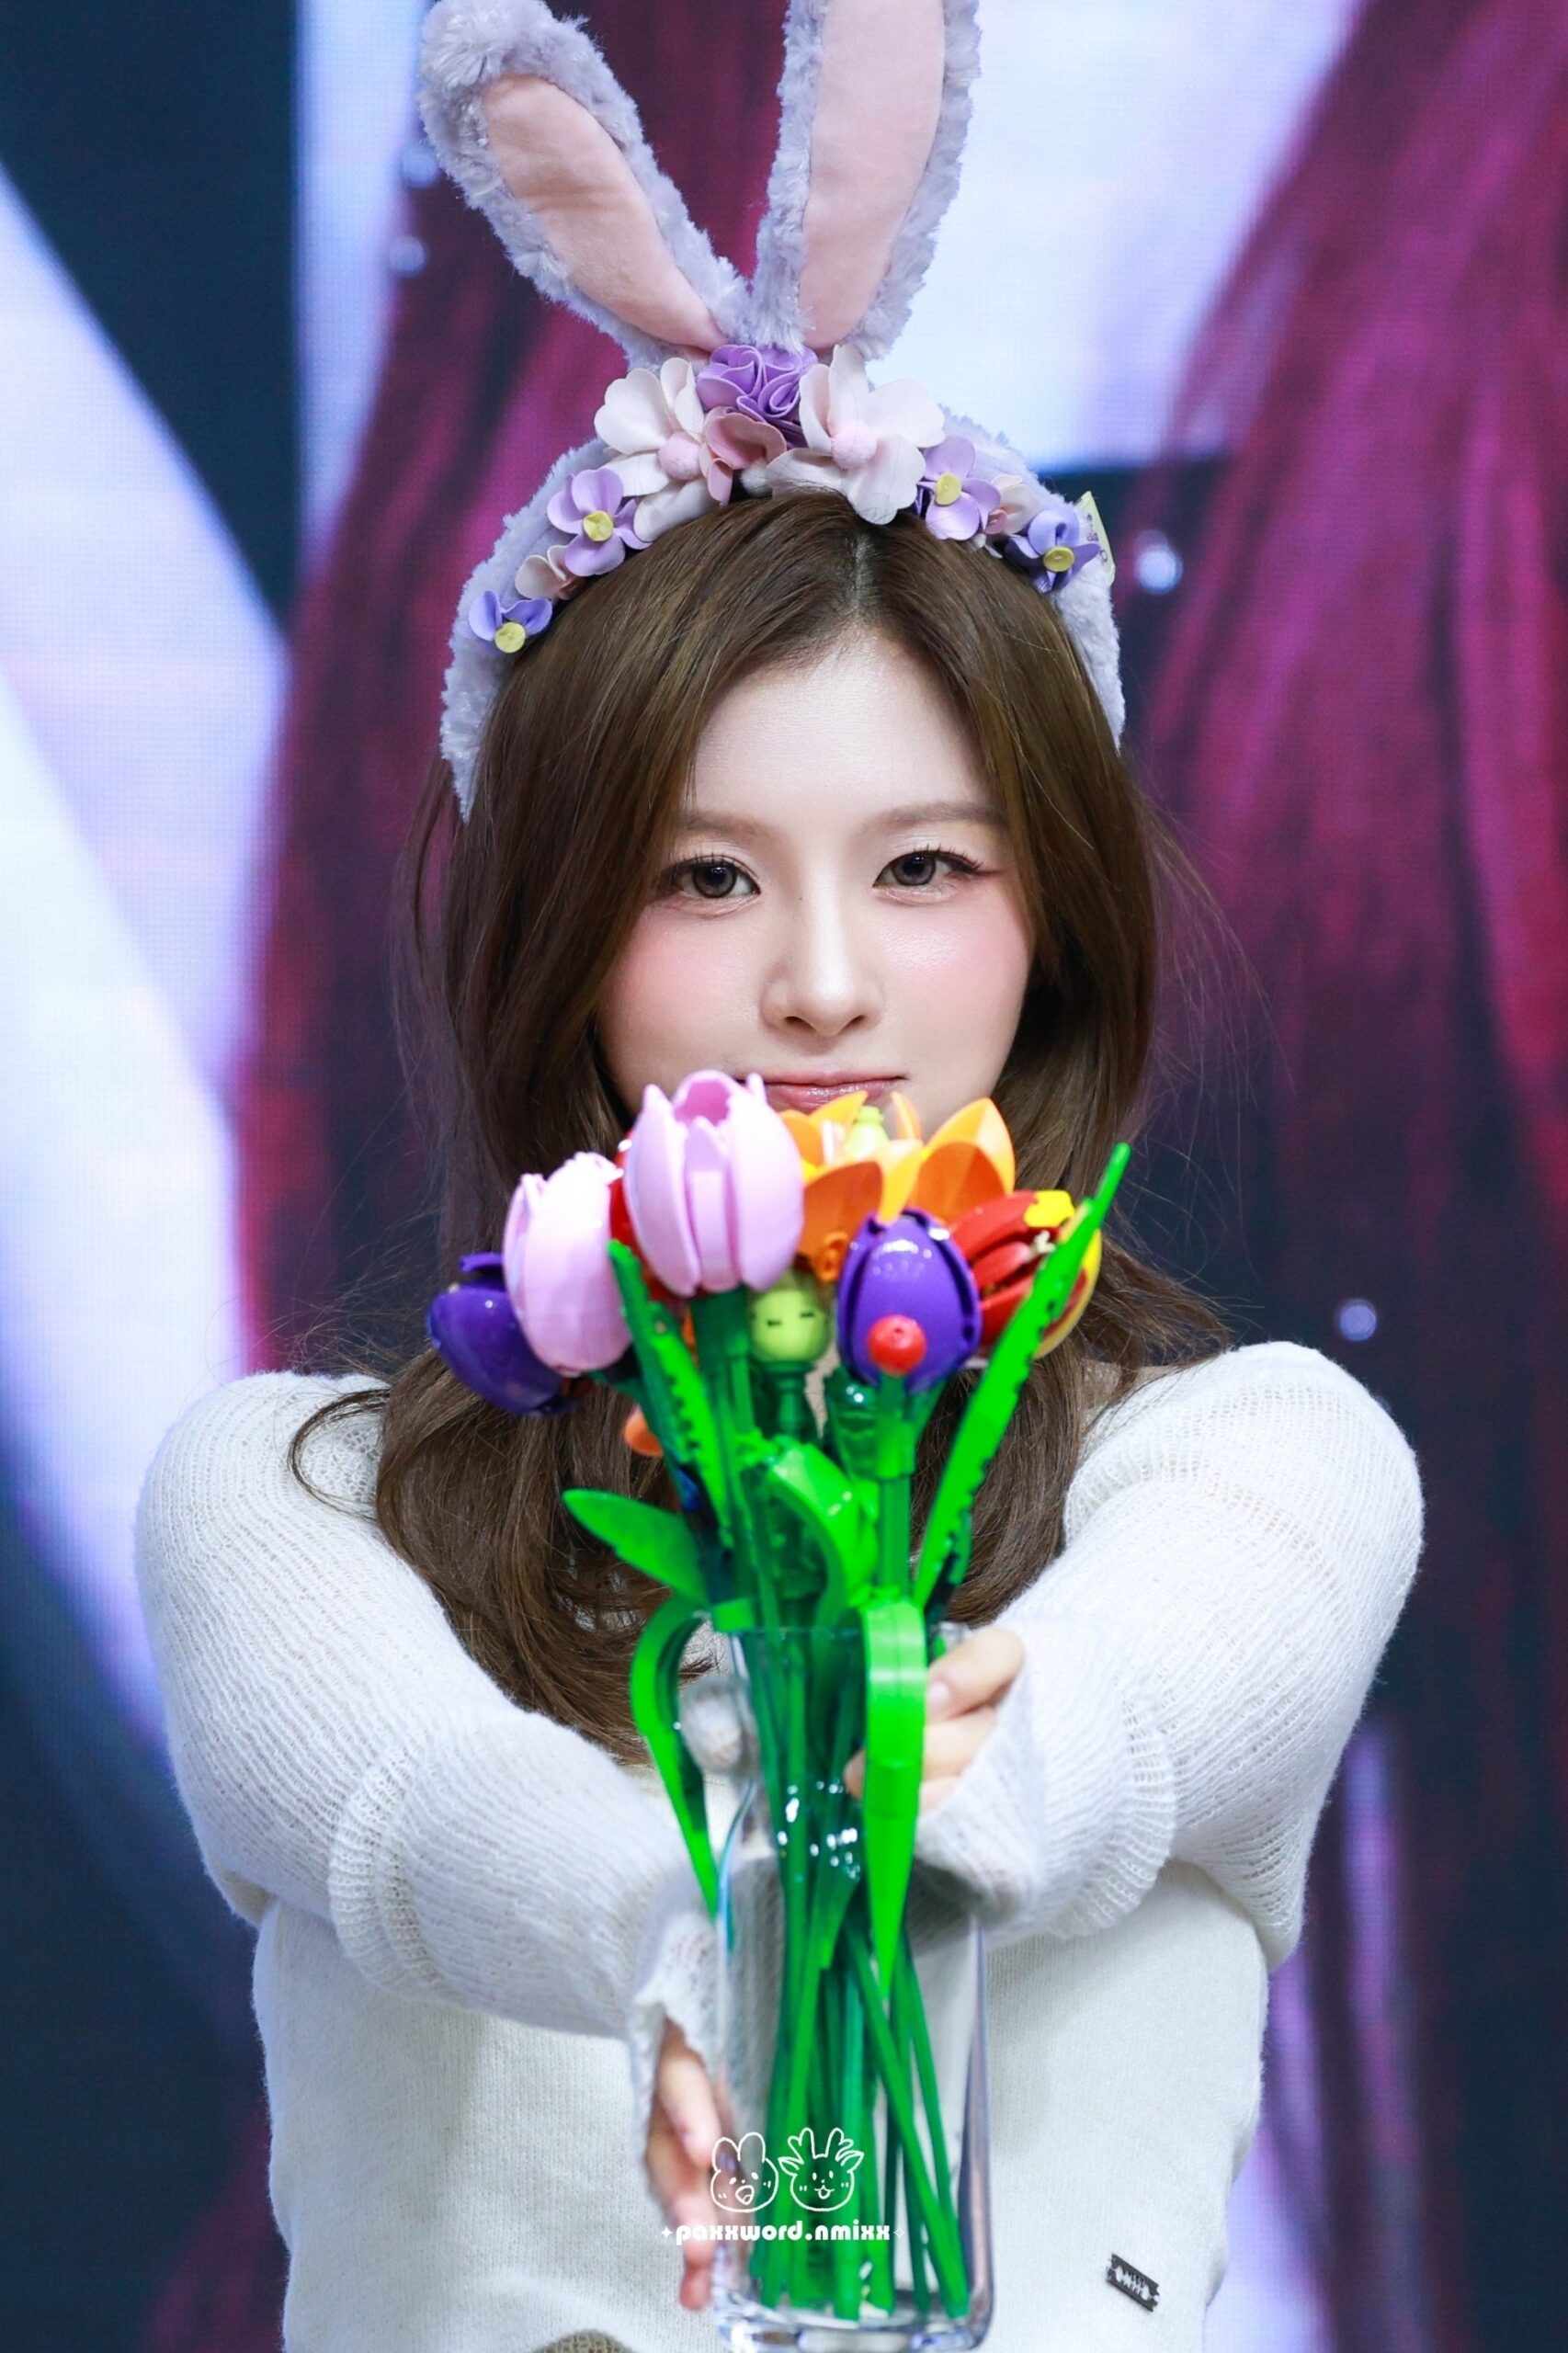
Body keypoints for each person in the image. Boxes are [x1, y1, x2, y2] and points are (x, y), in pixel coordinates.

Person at [132, 4, 1426, 2348]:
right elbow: (415, 1818)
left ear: (1052, 926)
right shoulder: (295, 1497)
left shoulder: (1250, 1465)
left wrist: (903, 1761)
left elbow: (1109, 1727)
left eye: (924, 866)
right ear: (557, 934)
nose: (820, 988)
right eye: (703, 878)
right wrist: (679, 1940)